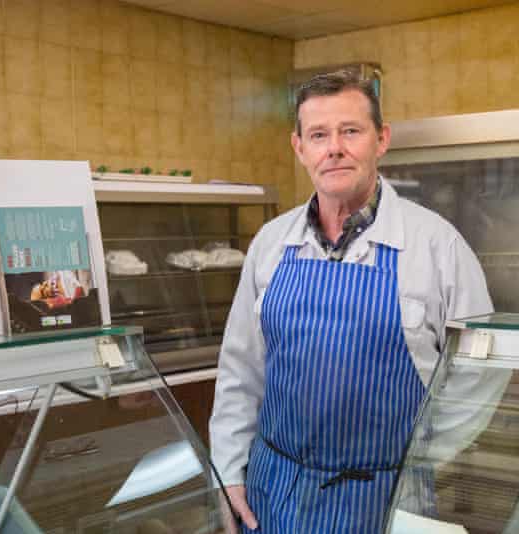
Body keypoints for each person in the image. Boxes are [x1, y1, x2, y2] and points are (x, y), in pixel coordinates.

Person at [209, 68, 492, 533]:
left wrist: (420, 459)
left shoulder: (437, 246)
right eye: (319, 134)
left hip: (383, 501)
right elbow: (241, 372)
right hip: (271, 496)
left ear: (380, 140)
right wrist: (228, 470)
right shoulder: (271, 243)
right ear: (299, 148)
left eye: (350, 131)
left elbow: (477, 378)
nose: (334, 147)